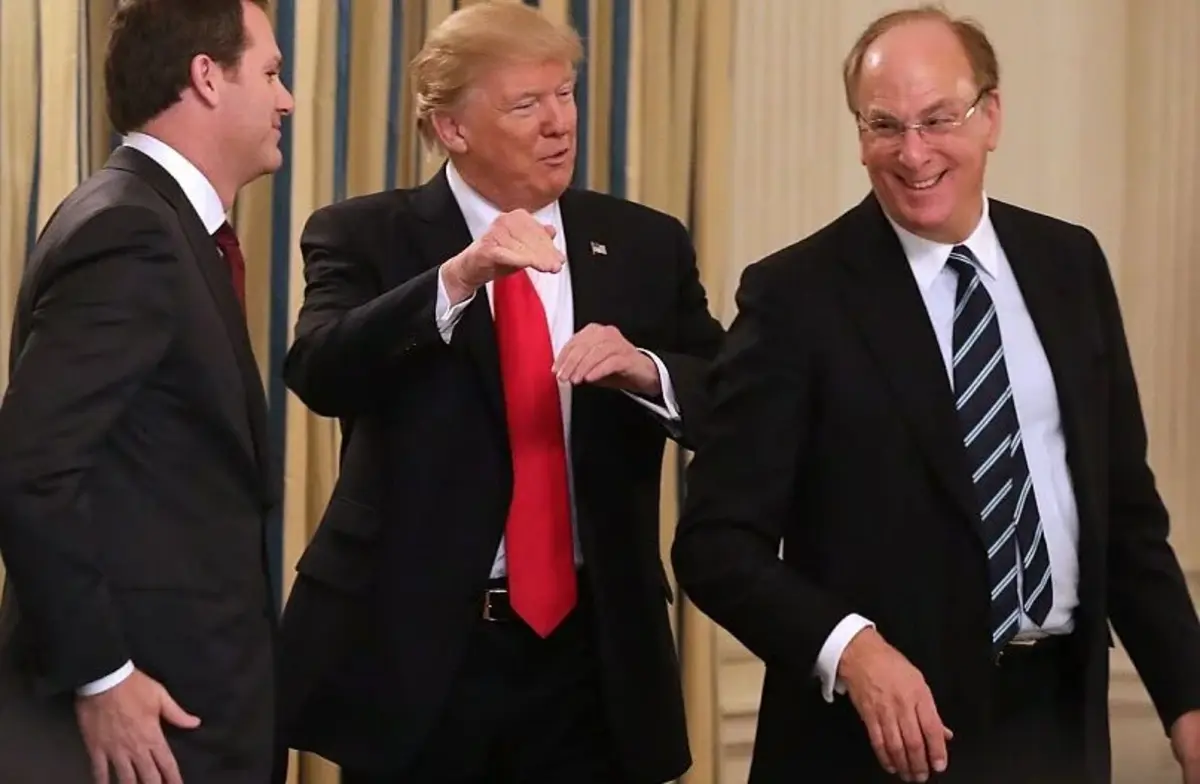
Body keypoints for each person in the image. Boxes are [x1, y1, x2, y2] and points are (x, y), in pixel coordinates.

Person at [672, 6, 1200, 784]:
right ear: (859, 134)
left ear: (991, 115)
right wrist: (851, 648)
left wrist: (1187, 700)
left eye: (938, 119)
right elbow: (715, 545)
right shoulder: (795, 297)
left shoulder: (1069, 264)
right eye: (883, 125)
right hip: (873, 744)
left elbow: (1124, 513)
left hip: (1058, 725)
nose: (912, 153)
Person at [272, 3, 724, 783]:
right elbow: (320, 370)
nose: (560, 124)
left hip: (595, 655)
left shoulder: (647, 241)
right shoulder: (365, 235)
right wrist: (456, 280)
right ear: (452, 129)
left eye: (567, 93)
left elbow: (734, 397)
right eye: (526, 104)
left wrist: (646, 370)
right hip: (425, 658)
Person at [0, 1, 294, 782]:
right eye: (269, 72)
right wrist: (102, 675)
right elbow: (31, 469)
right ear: (206, 77)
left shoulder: (153, 220)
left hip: (186, 709)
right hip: (142, 727)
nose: (287, 98)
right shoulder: (130, 231)